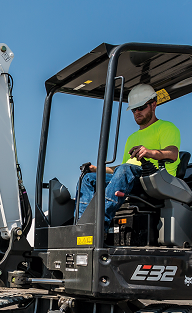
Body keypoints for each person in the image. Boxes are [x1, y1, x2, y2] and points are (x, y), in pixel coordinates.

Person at [76, 83, 181, 224]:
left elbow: (173, 153)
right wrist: (96, 169)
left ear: (153, 105)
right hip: (131, 176)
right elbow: (121, 169)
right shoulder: (132, 138)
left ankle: (100, 225)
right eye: (133, 110)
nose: (137, 112)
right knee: (88, 178)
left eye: (141, 107)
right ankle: (82, 225)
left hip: (156, 180)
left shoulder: (167, 128)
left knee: (125, 170)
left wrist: (150, 153)